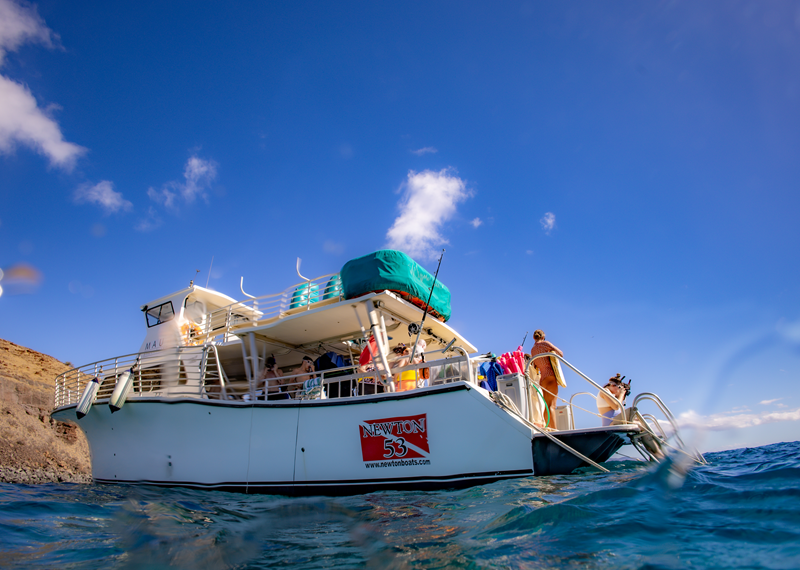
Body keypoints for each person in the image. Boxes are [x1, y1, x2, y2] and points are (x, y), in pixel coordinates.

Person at [529, 329, 563, 428]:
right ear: (543, 337)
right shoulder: (545, 344)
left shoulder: (533, 350)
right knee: (552, 406)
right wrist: (551, 353)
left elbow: (535, 365)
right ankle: (555, 430)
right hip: (550, 376)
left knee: (546, 407)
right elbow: (560, 353)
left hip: (542, 379)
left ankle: (549, 428)